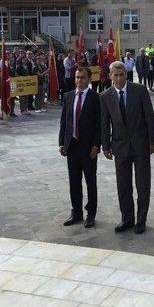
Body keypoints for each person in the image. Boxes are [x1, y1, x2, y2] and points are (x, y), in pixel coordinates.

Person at [100, 61, 154, 234]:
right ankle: (127, 218)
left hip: (141, 145)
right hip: (119, 146)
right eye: (115, 75)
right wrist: (106, 146)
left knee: (142, 184)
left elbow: (149, 117)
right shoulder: (105, 96)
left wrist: (152, 141)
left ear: (126, 74)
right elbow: (104, 123)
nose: (118, 78)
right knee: (123, 185)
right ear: (110, 76)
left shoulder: (139, 90)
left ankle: (141, 220)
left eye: (121, 74)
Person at [59, 66, 101, 228]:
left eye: (82, 77)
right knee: (74, 181)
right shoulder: (68, 96)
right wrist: (62, 142)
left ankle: (91, 213)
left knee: (90, 181)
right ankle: (76, 212)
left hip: (88, 148)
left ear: (89, 79)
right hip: (72, 146)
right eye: (77, 77)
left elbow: (100, 124)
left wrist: (97, 145)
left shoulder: (95, 97)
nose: (79, 80)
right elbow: (64, 121)